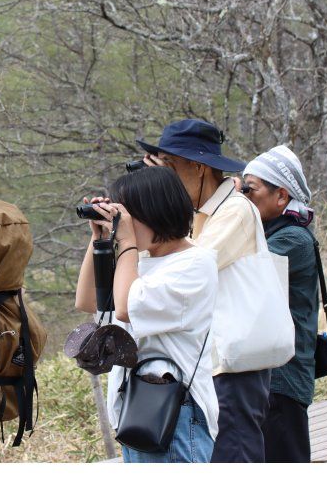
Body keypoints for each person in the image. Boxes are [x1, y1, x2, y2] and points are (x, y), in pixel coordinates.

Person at [139, 119, 271, 463]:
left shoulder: (235, 210)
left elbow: (191, 265)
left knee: (235, 460)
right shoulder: (201, 213)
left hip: (234, 366)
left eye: (169, 167)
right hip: (209, 363)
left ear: (198, 168)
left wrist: (159, 200)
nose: (165, 177)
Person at [74, 166, 218, 463]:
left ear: (155, 211)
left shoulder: (194, 264)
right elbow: (88, 301)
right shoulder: (139, 262)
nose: (121, 224)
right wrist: (99, 240)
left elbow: (125, 309)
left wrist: (126, 243)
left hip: (176, 412)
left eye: (126, 215)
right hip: (138, 410)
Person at [242, 145, 319, 463]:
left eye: (251, 189)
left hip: (283, 380)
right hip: (269, 377)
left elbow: (242, 280)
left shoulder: (291, 240)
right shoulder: (272, 234)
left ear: (282, 197)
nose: (243, 196)